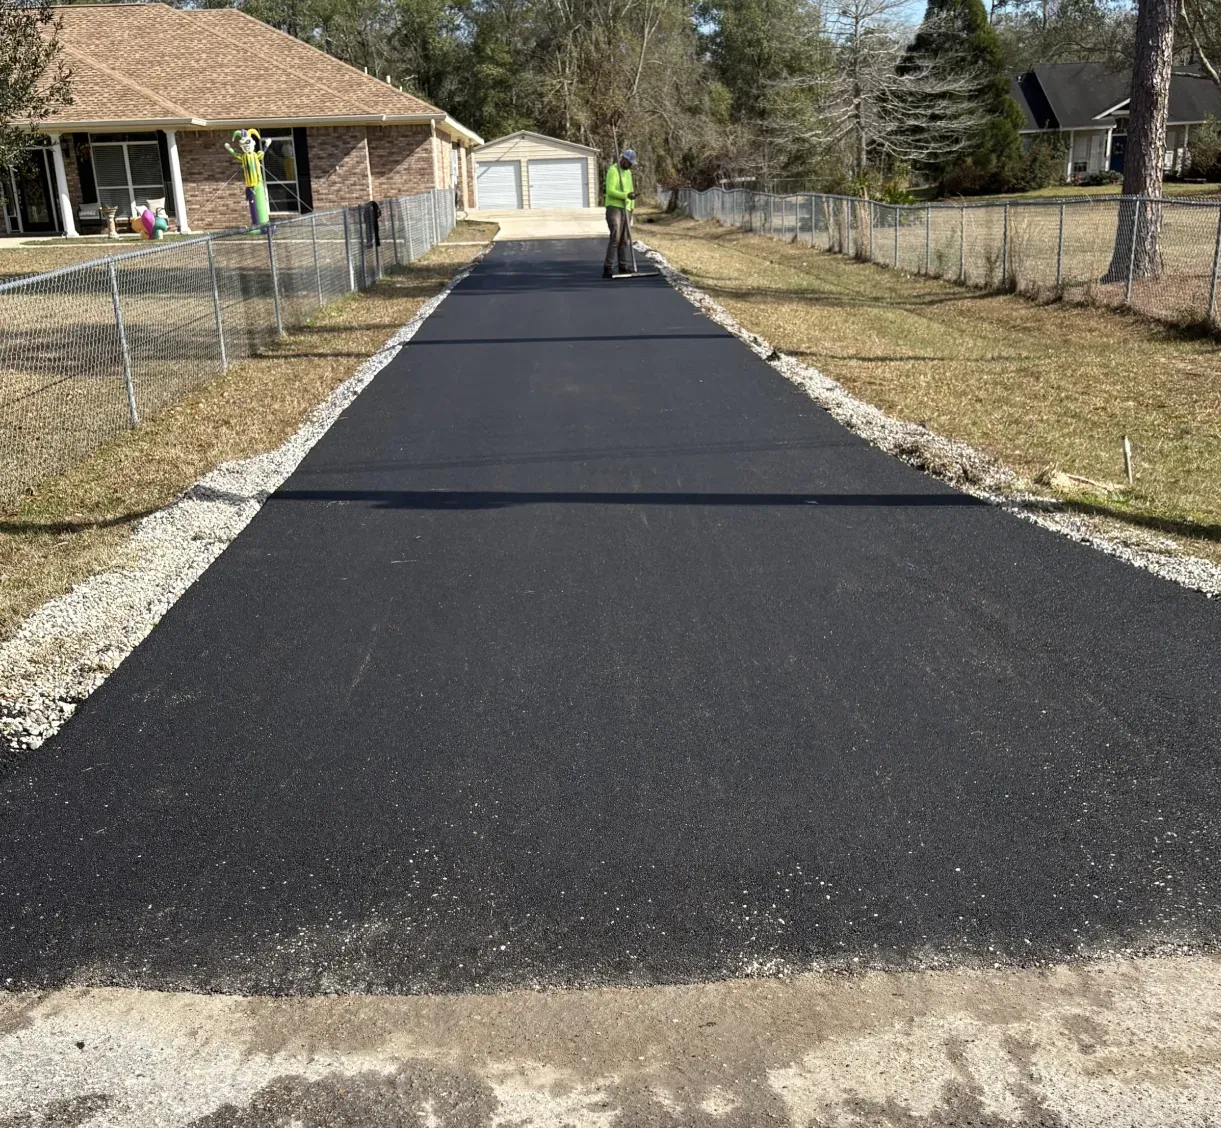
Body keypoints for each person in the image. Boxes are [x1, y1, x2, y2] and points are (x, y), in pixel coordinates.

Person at [603, 149, 638, 278]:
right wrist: (625, 195)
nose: (630, 166)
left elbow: (631, 189)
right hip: (614, 207)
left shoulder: (628, 173)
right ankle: (608, 267)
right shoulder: (613, 171)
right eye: (629, 163)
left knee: (624, 238)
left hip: (626, 208)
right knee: (616, 237)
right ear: (623, 159)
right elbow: (610, 191)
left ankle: (623, 266)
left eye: (632, 164)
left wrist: (632, 205)